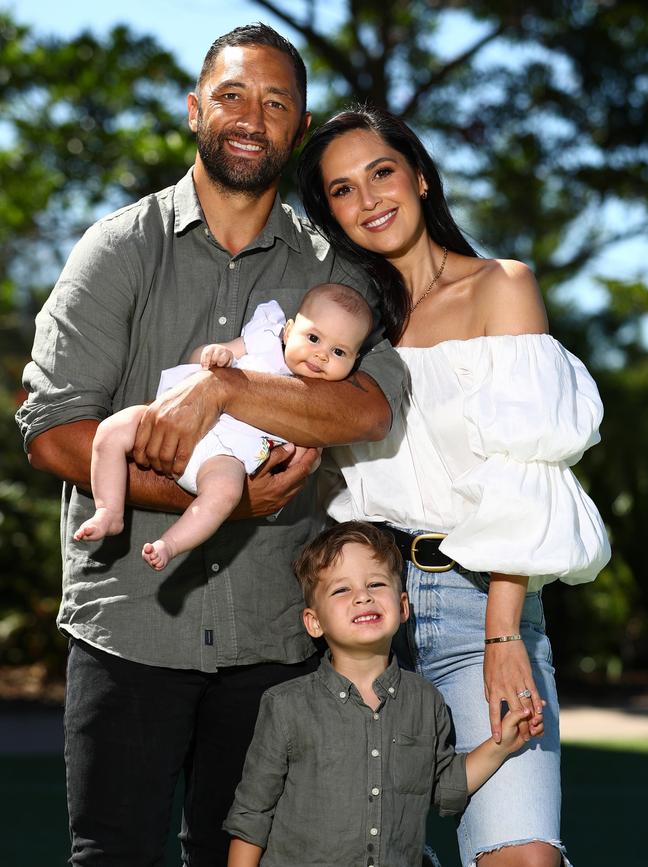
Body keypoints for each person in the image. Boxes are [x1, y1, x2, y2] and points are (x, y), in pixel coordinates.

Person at [15, 27, 405, 866]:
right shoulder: (118, 247)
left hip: (274, 640)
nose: (251, 118)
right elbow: (50, 433)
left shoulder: (330, 269)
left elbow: (372, 406)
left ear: (297, 130)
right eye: (232, 95)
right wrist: (204, 497)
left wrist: (229, 389)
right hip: (129, 632)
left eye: (276, 104)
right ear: (195, 111)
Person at [297, 105, 611, 867]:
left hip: (478, 607)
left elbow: (526, 470)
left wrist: (506, 632)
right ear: (331, 214)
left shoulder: (501, 286)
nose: (368, 197)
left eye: (381, 172)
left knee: (520, 854)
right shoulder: (346, 328)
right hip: (361, 612)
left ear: (421, 177)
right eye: (342, 189)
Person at [224, 521, 542, 867]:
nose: (363, 596)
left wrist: (502, 745)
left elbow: (443, 786)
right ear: (314, 622)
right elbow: (252, 816)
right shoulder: (286, 707)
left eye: (376, 583)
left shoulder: (426, 701)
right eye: (341, 590)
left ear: (403, 606)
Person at [73, 285, 373, 571]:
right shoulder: (263, 341)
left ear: (354, 360)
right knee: (112, 429)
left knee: (224, 494)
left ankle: (170, 544)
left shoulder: (326, 399)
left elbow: (309, 454)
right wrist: (217, 355)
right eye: (314, 338)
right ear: (289, 329)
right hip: (172, 423)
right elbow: (198, 360)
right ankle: (109, 511)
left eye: (339, 352)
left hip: (225, 456)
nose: (322, 355)